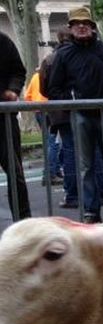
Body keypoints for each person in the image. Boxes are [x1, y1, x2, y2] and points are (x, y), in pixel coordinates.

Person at [48, 7, 103, 223]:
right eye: (76, 23)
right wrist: (73, 100)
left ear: (92, 27)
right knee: (85, 167)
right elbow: (52, 89)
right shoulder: (63, 55)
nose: (81, 26)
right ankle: (91, 211)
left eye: (85, 23)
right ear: (71, 28)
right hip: (80, 116)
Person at [0, 32, 31, 221]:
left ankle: (23, 222)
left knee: (15, 173)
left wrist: (13, 89)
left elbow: (19, 71)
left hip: (4, 120)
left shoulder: (3, 41)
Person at [24, 68, 63, 186]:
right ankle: (49, 173)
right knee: (53, 142)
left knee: (50, 140)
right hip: (49, 110)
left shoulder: (35, 77)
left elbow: (27, 96)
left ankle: (54, 170)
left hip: (39, 111)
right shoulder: (52, 75)